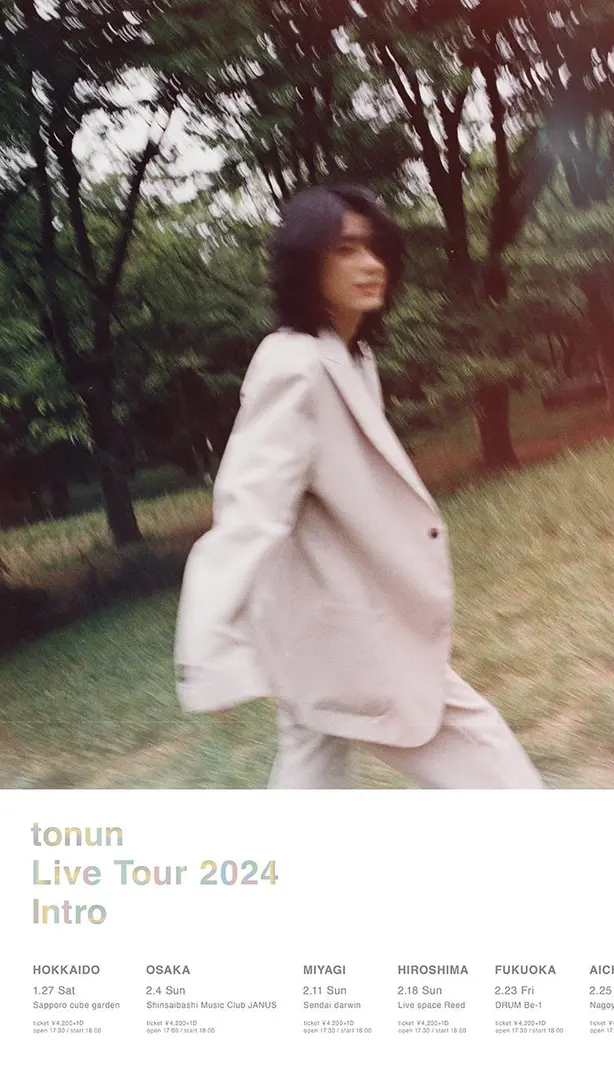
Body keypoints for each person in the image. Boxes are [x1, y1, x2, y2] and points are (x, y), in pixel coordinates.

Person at [174, 183, 543, 789]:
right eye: (344, 250)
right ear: (305, 263)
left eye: (374, 249)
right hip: (342, 632)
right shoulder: (294, 365)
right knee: (486, 757)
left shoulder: (350, 357)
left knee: (310, 769)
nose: (370, 265)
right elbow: (250, 511)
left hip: (316, 626)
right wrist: (207, 650)